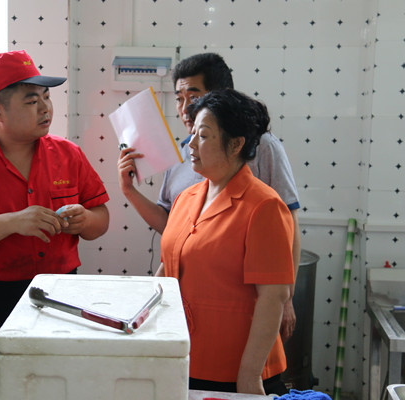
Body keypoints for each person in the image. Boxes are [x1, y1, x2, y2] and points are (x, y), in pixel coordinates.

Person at [0, 50, 110, 399]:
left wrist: (85, 220)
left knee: (60, 387)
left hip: (63, 294)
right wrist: (13, 222)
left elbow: (100, 219)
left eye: (46, 97)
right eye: (31, 101)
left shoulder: (68, 154)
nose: (45, 108)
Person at [117, 53, 301, 341]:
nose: (185, 108)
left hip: (239, 308)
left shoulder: (260, 146)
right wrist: (130, 191)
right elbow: (171, 225)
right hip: (187, 311)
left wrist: (285, 296)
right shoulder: (183, 152)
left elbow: (287, 224)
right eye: (179, 98)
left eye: (194, 96)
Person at [157, 88, 294, 395]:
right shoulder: (186, 198)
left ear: (236, 144)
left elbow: (273, 297)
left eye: (204, 136)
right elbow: (167, 269)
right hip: (183, 357)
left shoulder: (264, 206)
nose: (191, 144)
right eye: (193, 133)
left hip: (235, 371)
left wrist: (249, 375)